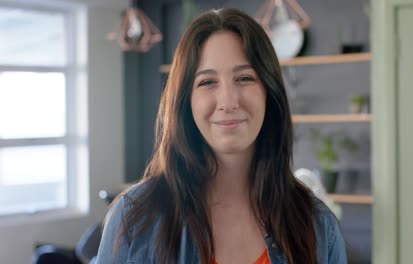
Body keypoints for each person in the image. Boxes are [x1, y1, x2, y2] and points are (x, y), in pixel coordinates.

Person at [96, 8, 346, 264]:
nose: (228, 101)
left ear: (269, 93)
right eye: (207, 82)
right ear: (185, 100)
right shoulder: (134, 218)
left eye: (245, 78)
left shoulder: (317, 225)